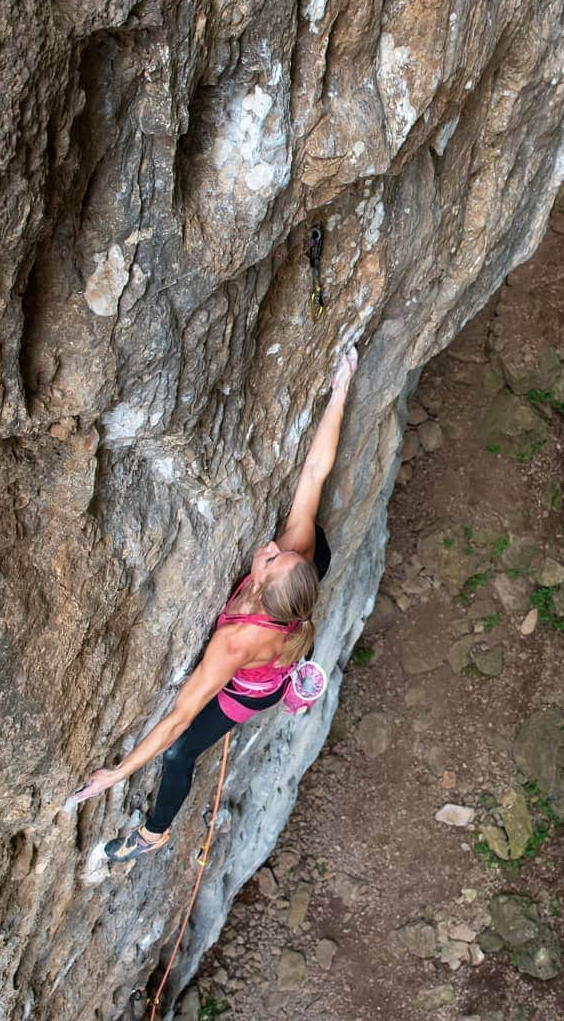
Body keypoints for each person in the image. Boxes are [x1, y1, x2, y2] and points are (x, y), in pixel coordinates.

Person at [69, 347, 358, 861]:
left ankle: (154, 834)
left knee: (179, 755)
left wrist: (118, 772)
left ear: (266, 593)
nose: (271, 549)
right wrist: (340, 390)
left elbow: (179, 720)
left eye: (271, 560)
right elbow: (314, 473)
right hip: (285, 623)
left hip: (253, 688)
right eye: (281, 554)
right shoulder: (299, 556)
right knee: (311, 536)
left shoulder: (234, 642)